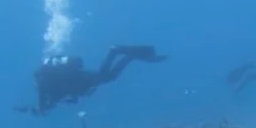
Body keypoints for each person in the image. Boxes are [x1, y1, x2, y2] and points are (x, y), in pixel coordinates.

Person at [17, 44, 166, 116]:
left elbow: (44, 107)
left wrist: (36, 110)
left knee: (108, 77)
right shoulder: (48, 86)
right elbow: (58, 100)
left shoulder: (45, 88)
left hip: (79, 81)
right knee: (107, 77)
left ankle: (116, 52)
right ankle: (126, 55)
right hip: (79, 79)